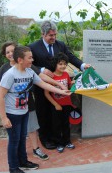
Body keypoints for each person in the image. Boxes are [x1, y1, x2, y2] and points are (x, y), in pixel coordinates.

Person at [0, 46, 71, 173]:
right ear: (20, 60)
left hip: (24, 111)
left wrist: (61, 90)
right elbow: (0, 96)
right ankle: (13, 168)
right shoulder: (9, 75)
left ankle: (23, 162)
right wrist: (4, 118)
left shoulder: (29, 72)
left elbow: (43, 84)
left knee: (21, 139)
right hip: (12, 114)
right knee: (14, 141)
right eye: (30, 58)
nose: (32, 60)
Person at [28, 21, 91, 149]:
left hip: (59, 89)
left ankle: (59, 138)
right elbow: (29, 64)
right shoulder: (33, 47)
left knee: (56, 115)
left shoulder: (60, 45)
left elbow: (71, 57)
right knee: (43, 113)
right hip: (42, 87)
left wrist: (83, 65)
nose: (54, 38)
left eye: (55, 35)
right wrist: (41, 70)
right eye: (51, 35)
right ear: (43, 34)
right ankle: (45, 139)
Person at [0, 42, 53, 161]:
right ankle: (17, 160)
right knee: (15, 137)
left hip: (27, 104)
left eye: (12, 51)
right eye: (7, 52)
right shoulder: (5, 70)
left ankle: (31, 152)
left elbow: (40, 79)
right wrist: (3, 116)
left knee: (30, 129)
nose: (10, 54)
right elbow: (1, 92)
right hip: (13, 108)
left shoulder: (29, 68)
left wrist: (58, 86)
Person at [44, 52, 76, 153]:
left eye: (65, 63)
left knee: (66, 124)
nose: (63, 66)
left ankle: (67, 141)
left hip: (67, 104)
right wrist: (56, 104)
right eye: (60, 64)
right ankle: (59, 143)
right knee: (56, 125)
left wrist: (74, 83)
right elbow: (47, 93)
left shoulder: (66, 74)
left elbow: (70, 87)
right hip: (56, 106)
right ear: (55, 64)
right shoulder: (51, 77)